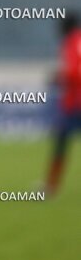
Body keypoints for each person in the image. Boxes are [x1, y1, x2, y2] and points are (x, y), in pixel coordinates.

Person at [45, 13, 81, 195]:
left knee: (60, 143)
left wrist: (58, 77)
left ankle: (51, 186)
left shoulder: (72, 42)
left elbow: (74, 72)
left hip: (75, 104)